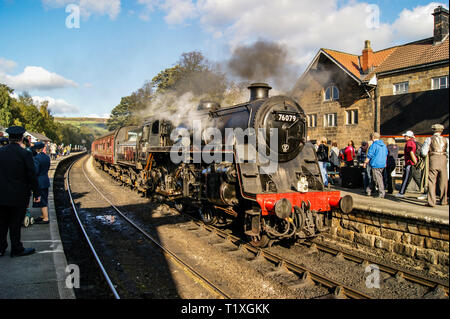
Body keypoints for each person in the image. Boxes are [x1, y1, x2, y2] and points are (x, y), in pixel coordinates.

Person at [0, 126, 40, 257]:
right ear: (22, 138)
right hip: (19, 195)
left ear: (9, 138)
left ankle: (1, 248)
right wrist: (37, 193)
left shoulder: (1, 152)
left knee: (2, 223)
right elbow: (31, 175)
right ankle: (16, 248)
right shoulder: (25, 154)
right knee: (15, 224)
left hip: (1, 195)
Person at [421, 124, 448, 207]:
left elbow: (424, 152)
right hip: (443, 159)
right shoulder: (446, 140)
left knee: (432, 181)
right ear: (441, 131)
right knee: (443, 181)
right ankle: (443, 201)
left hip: (433, 159)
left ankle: (431, 202)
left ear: (433, 130)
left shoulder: (429, 139)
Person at [396, 131, 420, 198]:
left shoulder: (409, 143)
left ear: (409, 137)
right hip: (412, 163)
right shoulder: (413, 142)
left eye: (405, 136)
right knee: (417, 178)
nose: (404, 137)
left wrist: (415, 162)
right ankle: (426, 192)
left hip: (410, 163)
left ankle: (401, 193)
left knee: (406, 178)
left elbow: (411, 152)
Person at [363, 132, 388, 198]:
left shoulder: (374, 145)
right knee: (376, 178)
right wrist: (385, 163)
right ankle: (369, 190)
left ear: (373, 138)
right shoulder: (384, 145)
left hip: (375, 164)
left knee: (377, 179)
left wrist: (365, 163)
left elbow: (369, 155)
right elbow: (386, 154)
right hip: (382, 164)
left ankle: (381, 193)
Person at [32, 142, 51, 224]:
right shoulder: (47, 157)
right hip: (45, 179)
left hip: (39, 181)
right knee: (44, 198)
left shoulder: (36, 158)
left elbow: (35, 171)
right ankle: (43, 215)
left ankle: (46, 218)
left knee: (42, 200)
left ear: (36, 149)